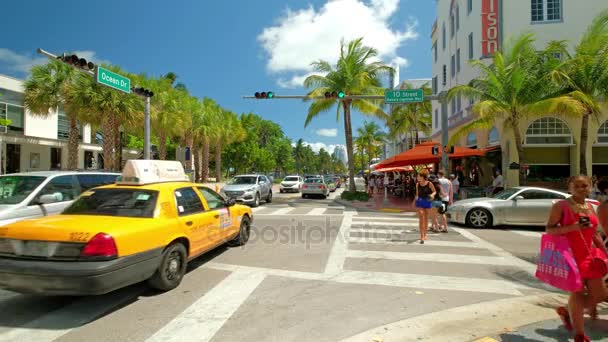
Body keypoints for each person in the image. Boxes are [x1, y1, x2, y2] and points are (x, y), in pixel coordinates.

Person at [546, 176, 608, 342]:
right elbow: (549, 229)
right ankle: (579, 334)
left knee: (600, 295)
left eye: (585, 185)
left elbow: (594, 233)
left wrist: (604, 252)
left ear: (589, 188)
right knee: (577, 293)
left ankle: (568, 312)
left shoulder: (589, 206)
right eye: (577, 185)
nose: (582, 188)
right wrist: (573, 227)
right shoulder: (562, 206)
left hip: (590, 256)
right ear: (570, 187)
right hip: (570, 257)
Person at [415, 170, 436, 244]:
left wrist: (432, 195)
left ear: (423, 177)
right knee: (421, 216)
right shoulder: (417, 184)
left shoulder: (430, 184)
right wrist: (415, 199)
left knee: (426, 218)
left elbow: (434, 191)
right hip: (420, 201)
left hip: (427, 201)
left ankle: (425, 234)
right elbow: (417, 194)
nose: (417, 177)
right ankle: (421, 236)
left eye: (418, 176)